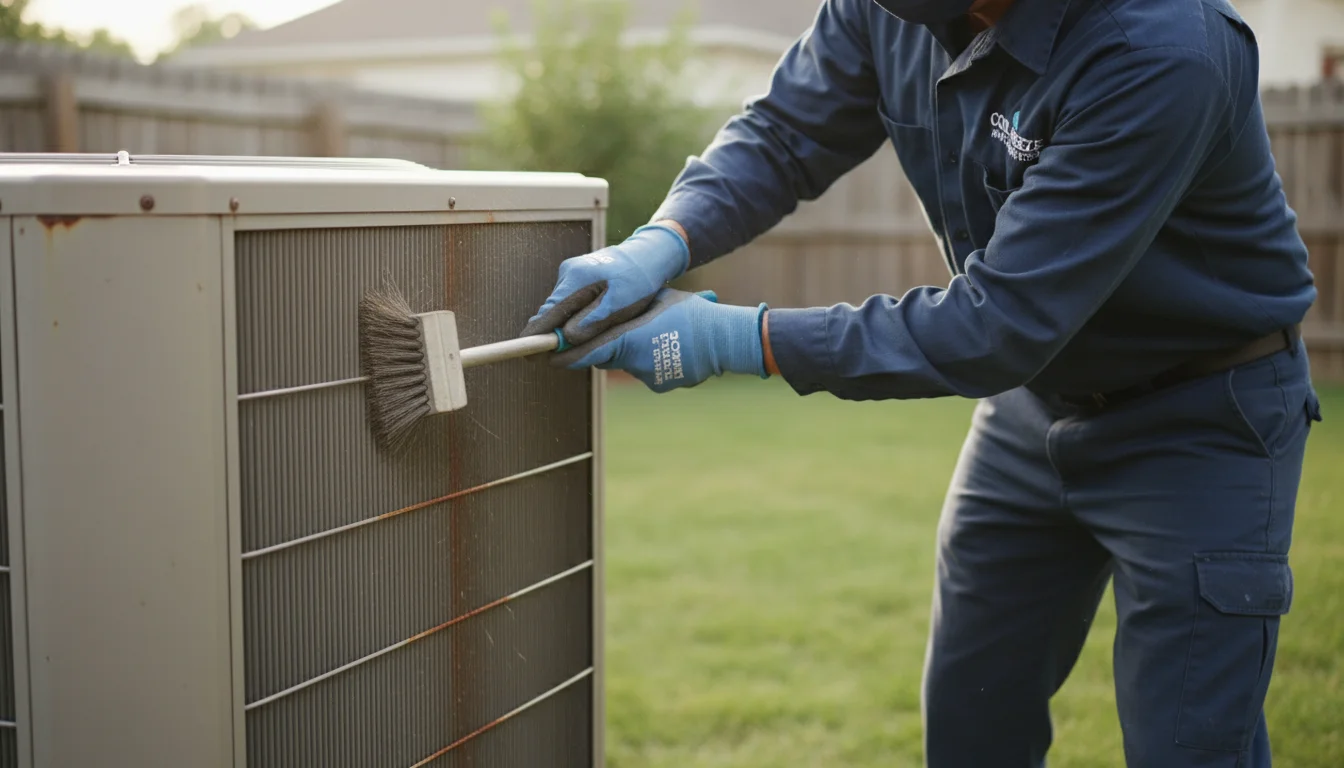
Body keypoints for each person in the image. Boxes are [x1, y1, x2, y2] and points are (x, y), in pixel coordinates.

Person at [521, 0, 1324, 765]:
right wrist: (665, 238)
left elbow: (995, 325)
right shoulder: (888, 11)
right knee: (973, 722)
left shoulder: (1161, 48)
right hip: (1031, 410)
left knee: (1187, 748)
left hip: (1200, 419)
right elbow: (782, 136)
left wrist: (738, 340)